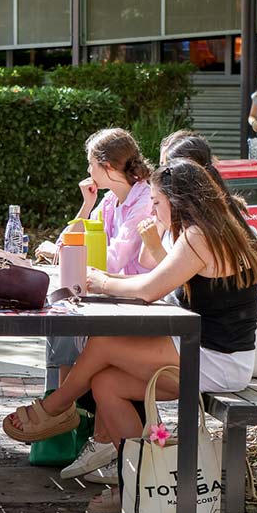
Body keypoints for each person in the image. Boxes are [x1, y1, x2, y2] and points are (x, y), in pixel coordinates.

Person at [3, 159, 257, 513]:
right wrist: (105, 279)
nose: (153, 208)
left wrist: (99, 281)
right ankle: (138, 484)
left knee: (104, 343)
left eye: (157, 202)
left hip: (217, 359)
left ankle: (56, 407)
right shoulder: (216, 228)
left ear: (178, 199)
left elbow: (147, 291)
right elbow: (152, 281)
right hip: (211, 352)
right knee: (107, 383)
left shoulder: (199, 236)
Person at [36, 128, 154, 483]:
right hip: (108, 300)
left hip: (137, 305)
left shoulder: (143, 202)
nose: (87, 172)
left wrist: (72, 254)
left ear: (104, 166)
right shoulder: (109, 201)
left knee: (72, 336)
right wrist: (86, 205)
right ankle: (70, 422)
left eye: (90, 164)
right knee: (60, 327)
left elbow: (113, 262)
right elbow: (66, 246)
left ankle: (65, 415)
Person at [139, 130, 247, 269]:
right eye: (161, 165)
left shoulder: (200, 230)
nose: (162, 175)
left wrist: (155, 247)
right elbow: (146, 261)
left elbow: (179, 280)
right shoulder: (169, 212)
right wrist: (160, 213)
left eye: (168, 168)